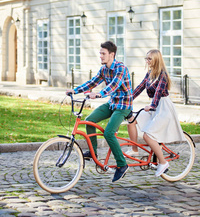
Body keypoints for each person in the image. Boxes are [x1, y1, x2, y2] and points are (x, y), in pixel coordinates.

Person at [66, 41, 133, 183]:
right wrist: (75, 90)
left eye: (103, 54)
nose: (101, 56)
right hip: (112, 103)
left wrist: (99, 94)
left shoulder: (121, 68)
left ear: (112, 55)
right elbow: (92, 82)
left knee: (109, 133)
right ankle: (92, 152)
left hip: (123, 105)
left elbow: (114, 86)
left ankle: (122, 165)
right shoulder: (104, 69)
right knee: (89, 121)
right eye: (100, 53)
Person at [126, 49, 185, 177]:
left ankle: (163, 162)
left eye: (149, 59)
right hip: (154, 107)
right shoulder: (149, 74)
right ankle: (134, 149)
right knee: (131, 119)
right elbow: (139, 88)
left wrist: (152, 105)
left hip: (163, 108)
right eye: (146, 58)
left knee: (148, 136)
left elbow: (158, 93)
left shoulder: (162, 75)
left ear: (156, 60)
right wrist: (127, 100)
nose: (147, 61)